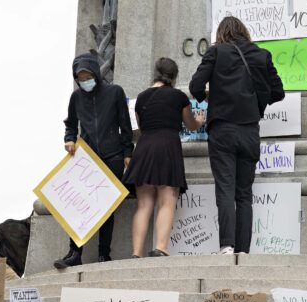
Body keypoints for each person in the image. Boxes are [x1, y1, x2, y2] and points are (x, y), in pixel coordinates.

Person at [189, 17, 285, 254]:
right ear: (244, 32)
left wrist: (210, 97)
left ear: (221, 34)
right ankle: (243, 250)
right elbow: (279, 92)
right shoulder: (261, 55)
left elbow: (195, 87)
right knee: (244, 194)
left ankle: (227, 246)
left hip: (222, 129)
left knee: (225, 189)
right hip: (250, 130)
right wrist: (255, 101)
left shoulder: (216, 53)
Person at [55, 53, 134, 269]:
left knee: (106, 207)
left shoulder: (115, 92)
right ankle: (74, 252)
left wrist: (128, 152)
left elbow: (125, 125)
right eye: (80, 78)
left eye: (87, 76)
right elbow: (70, 124)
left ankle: (103, 254)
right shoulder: (76, 98)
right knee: (77, 204)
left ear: (96, 74)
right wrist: (69, 139)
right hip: (86, 158)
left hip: (113, 156)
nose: (84, 81)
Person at [124, 58, 205, 258]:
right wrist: (200, 120)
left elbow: (142, 127)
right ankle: (160, 247)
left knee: (143, 205)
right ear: (174, 76)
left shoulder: (141, 98)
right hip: (168, 146)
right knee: (167, 201)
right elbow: (190, 124)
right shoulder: (178, 97)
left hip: (144, 148)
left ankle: (136, 253)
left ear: (156, 73)